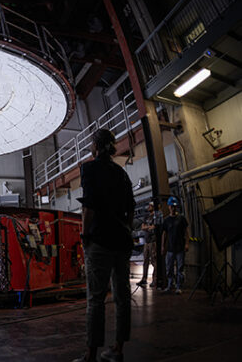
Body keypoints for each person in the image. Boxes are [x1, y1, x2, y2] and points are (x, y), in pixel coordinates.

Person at [74, 129, 135, 362]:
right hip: (122, 242)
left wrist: (84, 234)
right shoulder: (122, 174)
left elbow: (88, 206)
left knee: (96, 299)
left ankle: (91, 355)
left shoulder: (89, 169)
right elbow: (131, 209)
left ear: (95, 146)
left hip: (99, 241)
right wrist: (126, 231)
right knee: (122, 297)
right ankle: (118, 349)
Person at [161, 196, 189, 294]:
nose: (173, 208)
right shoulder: (166, 220)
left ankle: (178, 287)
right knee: (169, 268)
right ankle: (169, 285)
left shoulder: (181, 219)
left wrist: (187, 243)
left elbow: (186, 232)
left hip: (180, 248)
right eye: (171, 206)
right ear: (168, 207)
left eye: (175, 206)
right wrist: (163, 246)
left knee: (180, 268)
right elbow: (164, 234)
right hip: (170, 248)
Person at [137, 201, 162, 288]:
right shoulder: (146, 216)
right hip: (146, 242)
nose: (148, 207)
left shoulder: (157, 216)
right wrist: (149, 227)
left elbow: (155, 227)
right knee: (145, 261)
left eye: (150, 206)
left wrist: (148, 228)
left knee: (154, 261)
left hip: (153, 241)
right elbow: (143, 227)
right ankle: (144, 279)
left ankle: (155, 279)